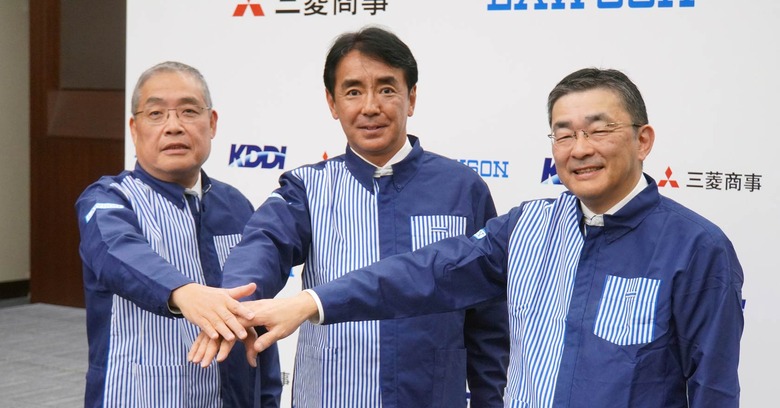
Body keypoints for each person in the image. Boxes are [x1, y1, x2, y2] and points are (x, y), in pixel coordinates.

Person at [218, 68, 745, 407]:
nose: (580, 148)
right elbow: (424, 273)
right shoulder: (527, 228)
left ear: (643, 140)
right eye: (563, 133)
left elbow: (713, 387)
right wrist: (310, 302)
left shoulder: (696, 248)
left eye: (599, 129)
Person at [194, 27, 510, 407]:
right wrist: (233, 304)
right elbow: (263, 245)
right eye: (353, 91)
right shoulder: (307, 188)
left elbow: (489, 321)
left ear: (411, 98)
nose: (370, 106)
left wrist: (489, 400)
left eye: (387, 89)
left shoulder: (462, 188)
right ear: (332, 103)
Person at [76, 61, 281, 407]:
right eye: (156, 114)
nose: (173, 126)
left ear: (212, 123)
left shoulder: (237, 205)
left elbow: (258, 314)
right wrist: (183, 293)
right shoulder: (108, 199)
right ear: (134, 129)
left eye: (188, 111)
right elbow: (116, 252)